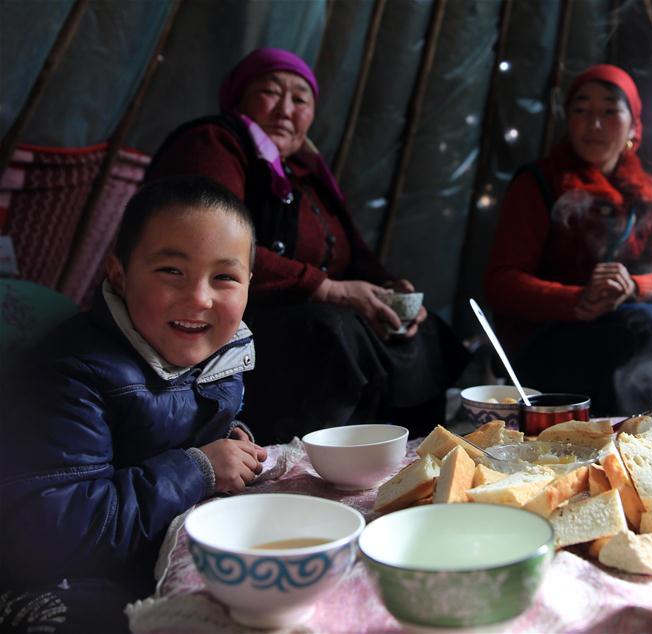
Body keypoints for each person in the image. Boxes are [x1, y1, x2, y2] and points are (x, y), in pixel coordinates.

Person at [145, 48, 469, 443]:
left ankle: (414, 451)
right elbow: (210, 248)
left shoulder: (308, 174)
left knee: (424, 327)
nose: (285, 109)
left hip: (302, 310)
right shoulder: (215, 142)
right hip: (234, 315)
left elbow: (355, 255)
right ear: (239, 99)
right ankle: (305, 458)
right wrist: (328, 288)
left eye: (300, 99)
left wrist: (393, 290)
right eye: (269, 92)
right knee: (332, 329)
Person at [0, 177, 267, 633]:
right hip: (57, 577)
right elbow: (50, 531)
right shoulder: (73, 374)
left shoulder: (216, 353)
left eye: (224, 277)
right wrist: (198, 469)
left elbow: (188, 421)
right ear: (119, 276)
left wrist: (230, 440)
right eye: (171, 271)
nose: (199, 298)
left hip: (154, 548)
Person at [485, 64, 652, 415]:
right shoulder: (539, 183)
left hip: (626, 325)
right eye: (581, 110)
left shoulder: (646, 192)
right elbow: (502, 283)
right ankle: (625, 442)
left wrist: (634, 286)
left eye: (609, 111)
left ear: (634, 126)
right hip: (548, 341)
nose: (594, 124)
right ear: (568, 121)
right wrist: (577, 300)